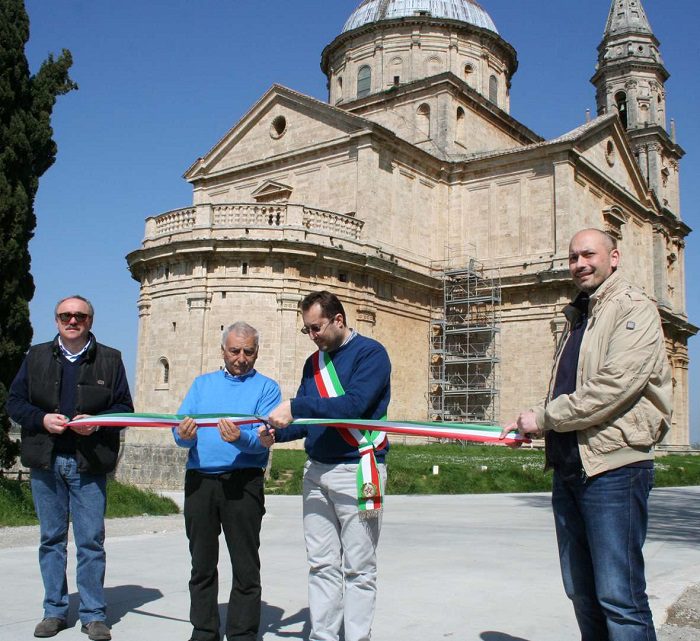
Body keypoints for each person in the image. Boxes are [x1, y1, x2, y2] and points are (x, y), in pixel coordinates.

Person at [501, 229, 673, 641]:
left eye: (589, 254)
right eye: (573, 257)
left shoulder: (633, 308)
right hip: (570, 467)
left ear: (614, 258)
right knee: (581, 592)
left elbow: (614, 386)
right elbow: (571, 387)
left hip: (614, 469)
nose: (579, 264)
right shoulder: (580, 314)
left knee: (620, 597)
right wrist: (533, 421)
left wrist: (545, 418)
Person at [264, 290, 391, 641]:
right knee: (321, 564)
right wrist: (276, 434)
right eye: (306, 329)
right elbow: (308, 422)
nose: (311, 336)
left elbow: (354, 406)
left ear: (338, 320)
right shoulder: (313, 364)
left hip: (358, 470)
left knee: (359, 568)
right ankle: (323, 636)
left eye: (316, 328)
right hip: (317, 471)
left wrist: (295, 406)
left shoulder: (371, 354)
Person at [7, 295, 133, 641]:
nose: (72, 321)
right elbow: (14, 402)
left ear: (90, 321)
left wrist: (98, 422)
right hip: (46, 461)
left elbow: (125, 408)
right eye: (66, 316)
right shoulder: (35, 357)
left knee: (91, 541)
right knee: (51, 540)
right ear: (57, 321)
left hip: (89, 464)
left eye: (79, 315)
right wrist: (41, 419)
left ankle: (93, 615)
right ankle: (54, 611)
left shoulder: (110, 359)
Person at [174, 321, 281, 641]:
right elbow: (179, 431)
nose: (241, 358)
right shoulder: (201, 385)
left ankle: (242, 633)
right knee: (201, 563)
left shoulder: (267, 388)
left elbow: (264, 439)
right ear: (223, 351)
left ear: (257, 352)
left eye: (248, 351)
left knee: (245, 564)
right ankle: (204, 630)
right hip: (201, 482)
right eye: (235, 351)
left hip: (243, 484)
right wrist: (183, 436)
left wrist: (240, 439)